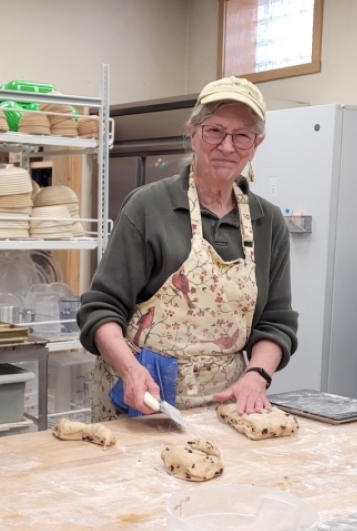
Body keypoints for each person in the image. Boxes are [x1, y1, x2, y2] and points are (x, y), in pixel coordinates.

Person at [78, 76, 298, 422]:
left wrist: (256, 377)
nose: (227, 146)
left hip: (226, 405)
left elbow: (276, 321)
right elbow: (101, 309)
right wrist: (130, 370)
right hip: (142, 397)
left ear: (257, 144)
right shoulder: (148, 207)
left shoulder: (267, 221)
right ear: (192, 132)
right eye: (214, 131)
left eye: (241, 136)